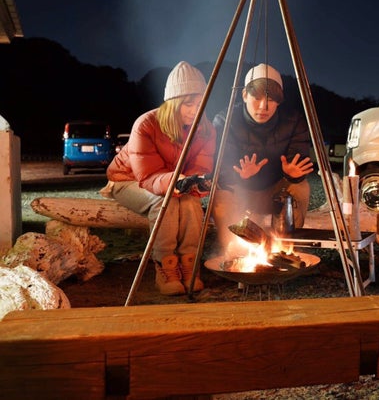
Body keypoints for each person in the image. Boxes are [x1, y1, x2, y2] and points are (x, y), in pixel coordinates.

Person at [102, 61, 216, 295]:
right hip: (127, 180)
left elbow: (201, 167)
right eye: (188, 104)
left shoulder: (206, 129)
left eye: (200, 103)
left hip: (172, 180)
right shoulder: (147, 124)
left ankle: (188, 263)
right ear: (173, 102)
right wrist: (178, 182)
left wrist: (199, 183)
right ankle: (165, 266)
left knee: (191, 202)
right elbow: (147, 177)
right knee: (163, 202)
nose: (195, 110)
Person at [212, 63, 314, 252]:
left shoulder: (293, 121)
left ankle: (285, 251)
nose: (263, 106)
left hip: (274, 192)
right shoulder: (226, 121)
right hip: (241, 193)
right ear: (244, 95)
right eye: (256, 98)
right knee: (221, 192)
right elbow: (219, 168)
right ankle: (234, 253)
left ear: (279, 101)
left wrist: (292, 174)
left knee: (300, 188)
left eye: (271, 100)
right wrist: (238, 175)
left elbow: (299, 163)